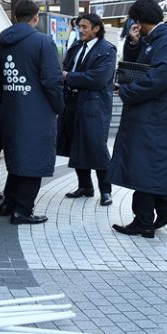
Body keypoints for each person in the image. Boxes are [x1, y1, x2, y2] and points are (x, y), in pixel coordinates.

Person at [108, 0, 167, 238]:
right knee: (145, 165)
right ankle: (166, 210)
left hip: (156, 117)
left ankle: (143, 222)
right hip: (152, 115)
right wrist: (134, 43)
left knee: (142, 167)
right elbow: (141, 68)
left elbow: (161, 77)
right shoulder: (157, 40)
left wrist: (127, 91)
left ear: (138, 20)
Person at [0, 0, 64, 224]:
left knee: (17, 157)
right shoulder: (42, 42)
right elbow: (52, 80)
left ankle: (8, 203)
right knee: (34, 160)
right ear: (36, 17)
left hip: (10, 109)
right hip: (37, 111)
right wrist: (58, 106)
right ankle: (23, 211)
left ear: (15, 17)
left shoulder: (0, 42)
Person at [57, 13, 116, 206]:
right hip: (72, 103)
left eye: (84, 27)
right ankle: (85, 186)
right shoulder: (76, 47)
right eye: (79, 27)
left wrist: (69, 77)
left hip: (94, 106)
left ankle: (106, 191)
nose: (80, 30)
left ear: (96, 28)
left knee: (97, 148)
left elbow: (98, 78)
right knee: (76, 145)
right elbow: (65, 68)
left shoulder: (107, 50)